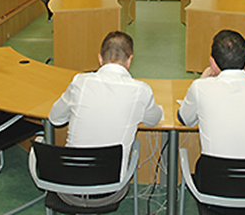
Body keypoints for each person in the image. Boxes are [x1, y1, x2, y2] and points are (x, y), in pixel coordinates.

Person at [49, 31, 162, 179]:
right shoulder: (141, 90)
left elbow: (55, 118)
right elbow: (153, 120)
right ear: (129, 60)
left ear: (100, 58)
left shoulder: (80, 82)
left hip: (70, 182)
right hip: (111, 187)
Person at [178, 30, 245, 160]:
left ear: (212, 63)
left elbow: (184, 119)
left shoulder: (200, 88)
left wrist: (202, 79)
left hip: (215, 178)